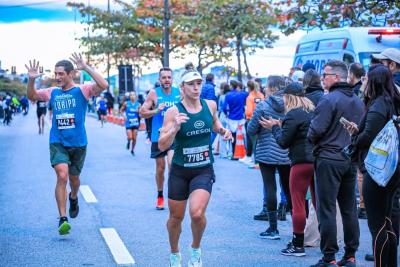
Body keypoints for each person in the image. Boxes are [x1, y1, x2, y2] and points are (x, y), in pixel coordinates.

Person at [158, 63, 232, 267]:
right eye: (191, 84)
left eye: (199, 83)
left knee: (197, 213)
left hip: (203, 168)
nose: (196, 87)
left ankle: (196, 249)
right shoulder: (173, 112)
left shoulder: (210, 105)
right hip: (180, 171)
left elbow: (216, 125)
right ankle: (174, 254)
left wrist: (224, 132)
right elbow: (162, 144)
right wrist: (174, 127)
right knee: (176, 217)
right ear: (182, 87)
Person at [25, 53, 108, 235]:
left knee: (74, 179)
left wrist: (86, 67)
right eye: (56, 74)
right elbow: (31, 95)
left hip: (78, 143)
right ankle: (63, 218)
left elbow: (103, 85)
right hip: (58, 142)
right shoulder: (52, 92)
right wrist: (31, 80)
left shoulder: (82, 90)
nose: (57, 77)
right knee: (62, 176)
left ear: (71, 74)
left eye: (61, 74)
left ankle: (73, 196)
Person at [307, 60, 364, 267]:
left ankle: (329, 257)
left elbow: (315, 131)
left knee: (327, 208)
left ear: (337, 77)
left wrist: (312, 137)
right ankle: (350, 255)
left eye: (326, 74)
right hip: (349, 159)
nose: (323, 78)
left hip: (328, 159)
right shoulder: (357, 101)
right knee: (349, 208)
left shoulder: (329, 100)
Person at [347, 64, 400, 267]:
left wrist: (355, 135)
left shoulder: (378, 104)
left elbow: (369, 136)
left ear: (374, 81)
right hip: (391, 168)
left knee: (377, 224)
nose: (364, 82)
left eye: (366, 79)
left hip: (377, 170)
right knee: (387, 222)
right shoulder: (393, 101)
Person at [259, 82, 316, 257]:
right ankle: (329, 247)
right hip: (316, 161)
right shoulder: (312, 112)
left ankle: (298, 244)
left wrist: (274, 127)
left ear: (289, 97)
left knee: (298, 203)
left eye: (285, 96)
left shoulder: (293, 114)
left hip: (300, 162)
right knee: (318, 203)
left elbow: (283, 142)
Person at [247, 75, 291, 240]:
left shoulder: (263, 106)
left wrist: (261, 129)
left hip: (266, 152)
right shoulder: (291, 105)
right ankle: (298, 230)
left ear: (272, 88)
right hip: (286, 152)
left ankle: (273, 228)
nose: (264, 88)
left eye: (266, 86)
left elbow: (251, 130)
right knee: (288, 189)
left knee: (270, 187)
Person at [140, 67, 181, 210]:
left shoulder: (178, 93)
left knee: (172, 164)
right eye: (164, 77)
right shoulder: (154, 94)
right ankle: (160, 195)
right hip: (158, 137)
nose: (167, 80)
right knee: (160, 168)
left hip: (174, 135)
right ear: (159, 80)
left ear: (172, 79)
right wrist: (157, 110)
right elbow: (142, 112)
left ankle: (173, 195)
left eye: (169, 77)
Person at [222, 80, 248, 158]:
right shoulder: (243, 94)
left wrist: (226, 114)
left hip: (231, 118)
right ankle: (243, 153)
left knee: (232, 136)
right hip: (240, 117)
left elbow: (224, 107)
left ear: (231, 86)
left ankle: (234, 153)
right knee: (241, 136)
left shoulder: (228, 95)